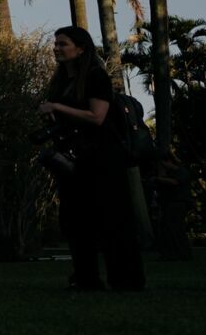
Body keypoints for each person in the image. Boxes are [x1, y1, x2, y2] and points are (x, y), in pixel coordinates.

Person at [42, 25, 145, 292]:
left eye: (63, 43)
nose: (57, 48)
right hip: (73, 158)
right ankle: (86, 278)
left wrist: (57, 107)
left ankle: (126, 279)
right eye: (56, 44)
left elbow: (97, 116)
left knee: (112, 219)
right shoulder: (62, 81)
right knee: (76, 221)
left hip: (103, 159)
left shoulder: (96, 76)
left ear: (81, 48)